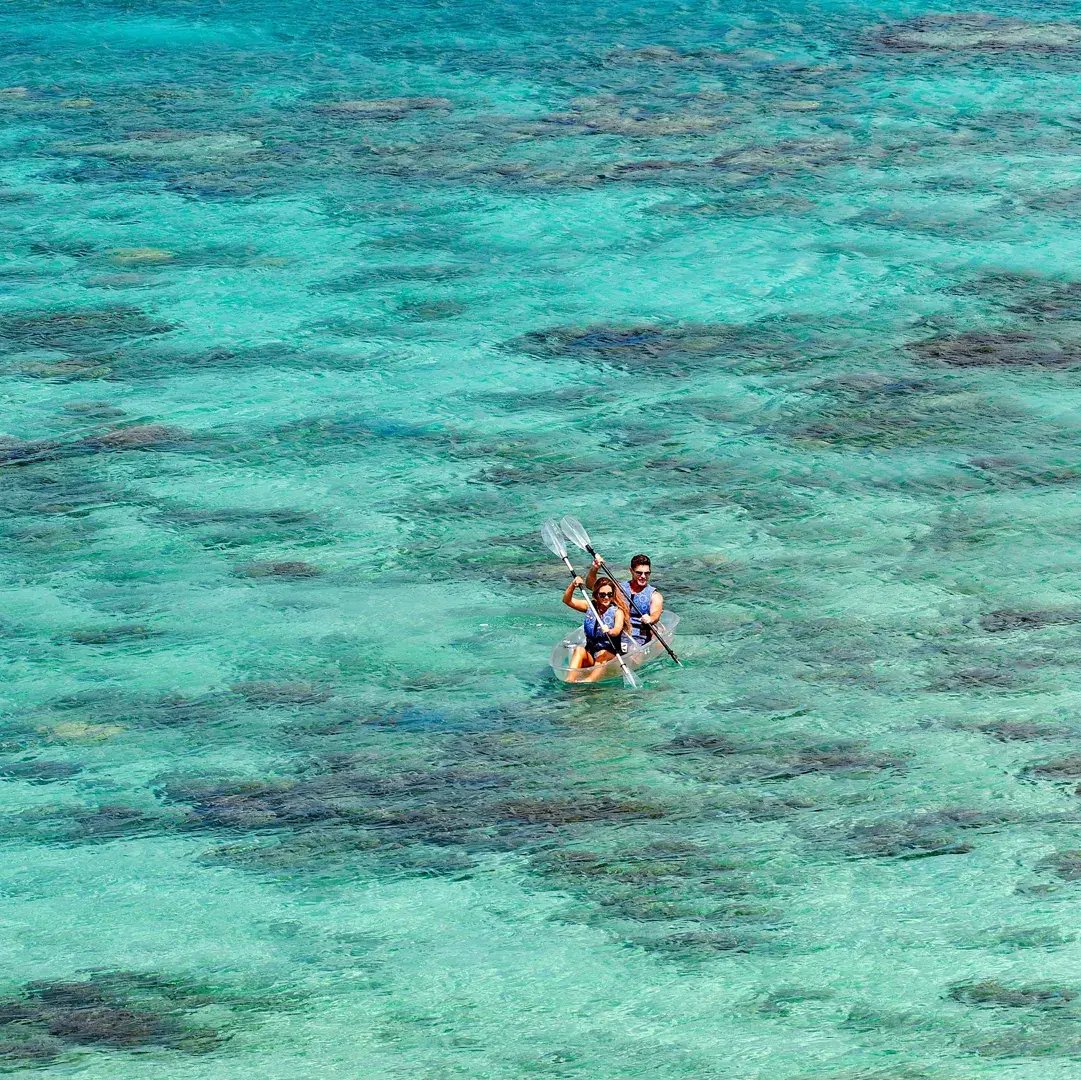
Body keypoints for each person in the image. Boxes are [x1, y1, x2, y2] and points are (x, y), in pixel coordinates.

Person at [587, 553, 663, 647]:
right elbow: (591, 586)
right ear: (631, 571)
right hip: (615, 633)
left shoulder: (654, 595)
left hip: (638, 638)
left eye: (647, 573)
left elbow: (656, 613)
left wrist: (650, 618)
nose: (643, 576)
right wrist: (594, 569)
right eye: (639, 573)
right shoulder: (618, 588)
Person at [561, 575, 627, 683]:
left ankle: (588, 681)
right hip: (592, 654)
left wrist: (609, 631)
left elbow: (617, 630)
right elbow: (567, 600)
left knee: (603, 653)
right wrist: (573, 585)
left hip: (610, 656)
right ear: (596, 595)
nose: (606, 598)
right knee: (579, 650)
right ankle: (570, 680)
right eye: (602, 595)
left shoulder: (617, 612)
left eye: (610, 595)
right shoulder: (589, 606)